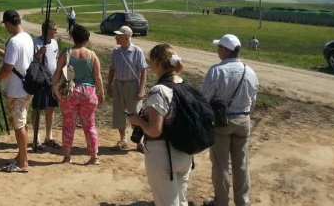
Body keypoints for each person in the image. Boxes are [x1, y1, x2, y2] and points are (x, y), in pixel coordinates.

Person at [128, 44, 191, 206]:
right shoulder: (185, 85)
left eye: (151, 62)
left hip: (164, 156)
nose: (149, 66)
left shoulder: (159, 91)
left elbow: (154, 130)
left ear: (157, 63)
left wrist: (138, 121)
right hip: (185, 152)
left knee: (166, 202)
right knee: (181, 200)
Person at [202, 34, 259, 206]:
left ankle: (221, 202)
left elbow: (204, 99)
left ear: (226, 51)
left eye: (219, 47)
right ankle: (243, 201)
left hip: (222, 123)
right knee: (241, 164)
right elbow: (253, 101)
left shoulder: (216, 71)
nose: (217, 50)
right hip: (244, 121)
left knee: (221, 165)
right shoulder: (250, 71)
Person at [0, 10, 34, 173]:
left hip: (16, 90)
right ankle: (21, 155)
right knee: (23, 122)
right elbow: (15, 58)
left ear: (7, 23)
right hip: (27, 87)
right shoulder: (27, 38)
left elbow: (8, 67)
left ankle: (23, 162)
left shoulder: (14, 42)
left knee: (19, 125)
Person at [53, 24, 105, 165]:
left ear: (73, 38)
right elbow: (98, 76)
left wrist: (54, 87)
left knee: (68, 124)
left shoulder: (66, 52)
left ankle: (67, 156)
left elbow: (57, 72)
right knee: (90, 125)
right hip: (88, 93)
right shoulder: (92, 55)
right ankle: (94, 156)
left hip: (70, 92)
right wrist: (101, 92)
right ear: (86, 39)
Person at [107, 25, 148, 151]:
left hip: (132, 84)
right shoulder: (116, 52)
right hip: (119, 84)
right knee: (119, 112)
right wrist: (109, 86)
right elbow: (112, 69)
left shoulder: (137, 51)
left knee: (134, 112)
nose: (116, 37)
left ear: (126, 37)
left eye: (118, 35)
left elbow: (143, 71)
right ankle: (123, 138)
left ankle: (139, 140)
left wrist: (141, 89)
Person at [32, 20, 61, 150]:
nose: (56, 32)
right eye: (54, 30)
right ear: (48, 30)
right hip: (40, 79)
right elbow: (30, 60)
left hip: (53, 80)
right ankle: (36, 137)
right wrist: (38, 54)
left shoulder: (54, 43)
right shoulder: (35, 43)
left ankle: (49, 136)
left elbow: (55, 58)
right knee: (38, 109)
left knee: (51, 108)